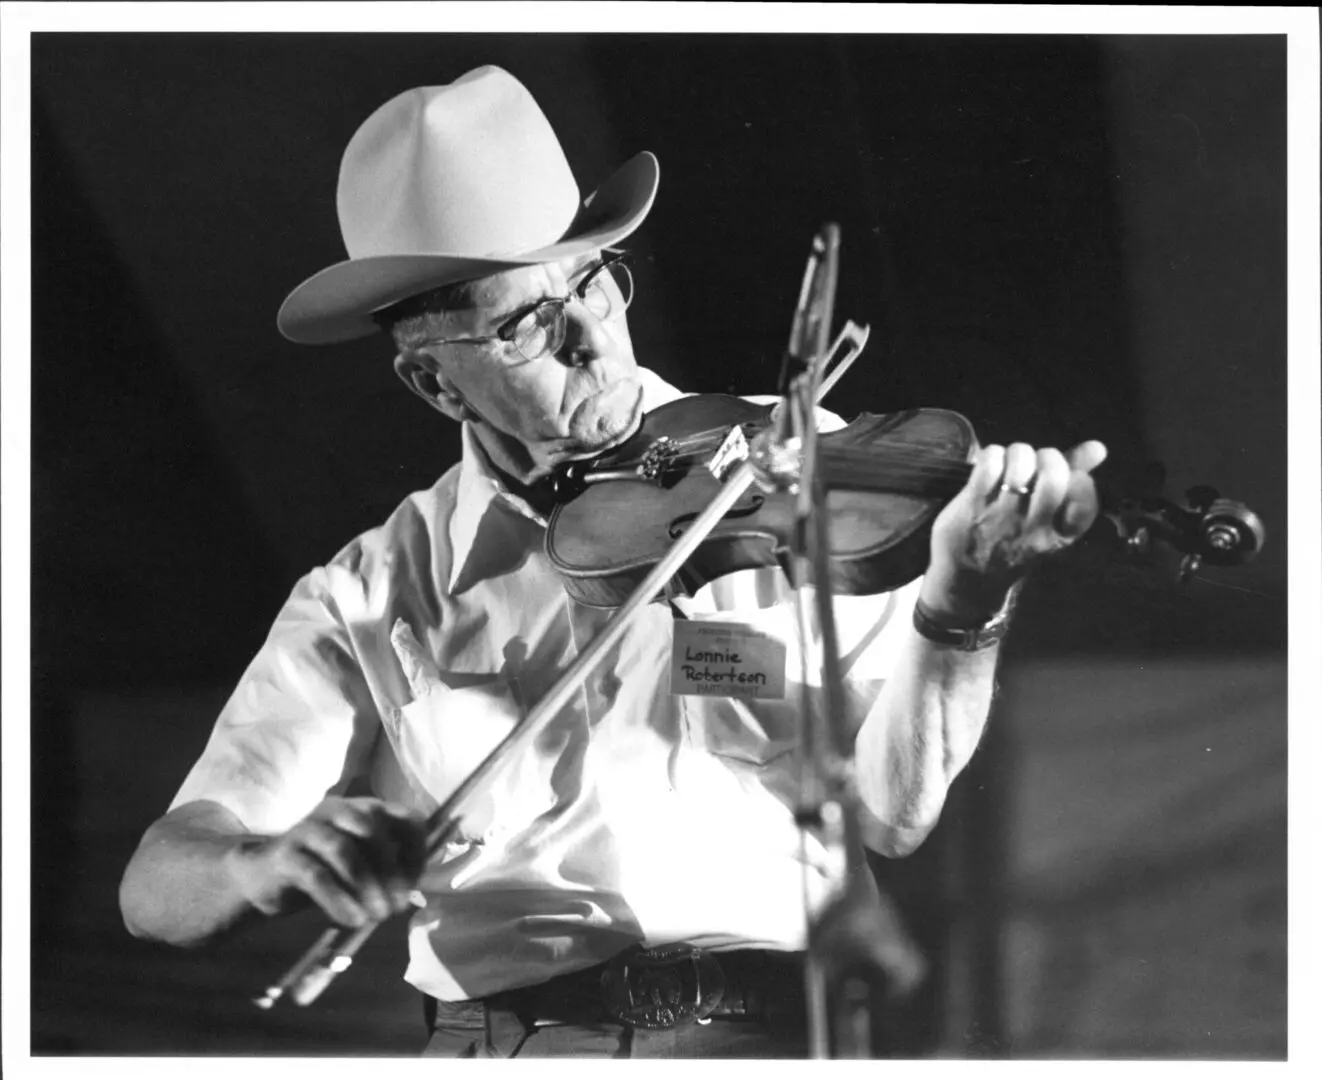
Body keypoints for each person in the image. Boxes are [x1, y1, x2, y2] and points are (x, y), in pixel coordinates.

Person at [119, 65, 1106, 1059]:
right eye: (525, 325)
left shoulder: (789, 465)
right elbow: (159, 883)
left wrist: (961, 604)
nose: (594, 340)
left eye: (591, 281)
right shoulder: (375, 589)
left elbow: (894, 815)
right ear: (433, 382)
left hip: (776, 1037)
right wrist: (263, 866)